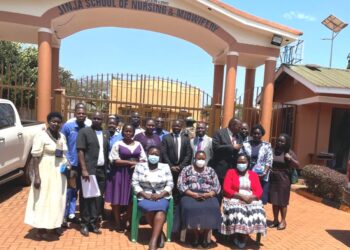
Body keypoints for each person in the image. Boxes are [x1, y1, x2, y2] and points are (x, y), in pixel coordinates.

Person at [24, 112, 67, 240]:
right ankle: (41, 228)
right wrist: (36, 177)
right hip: (45, 171)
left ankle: (53, 226)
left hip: (59, 172)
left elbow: (64, 153)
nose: (56, 124)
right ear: (48, 122)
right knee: (43, 199)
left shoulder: (61, 136)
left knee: (55, 199)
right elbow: (35, 157)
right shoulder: (41, 136)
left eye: (58, 122)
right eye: (53, 121)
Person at [175, 151, 221, 248]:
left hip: (208, 195)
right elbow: (180, 184)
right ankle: (196, 236)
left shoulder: (210, 170)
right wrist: (193, 194)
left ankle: (205, 237)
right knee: (191, 208)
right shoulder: (186, 169)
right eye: (199, 158)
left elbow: (217, 186)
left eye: (203, 159)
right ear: (194, 159)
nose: (201, 161)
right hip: (190, 194)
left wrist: (209, 194)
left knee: (214, 207)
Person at [221, 154, 267, 249]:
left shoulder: (253, 174)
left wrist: (252, 197)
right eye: (239, 162)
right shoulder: (231, 172)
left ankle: (244, 235)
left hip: (251, 198)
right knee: (238, 211)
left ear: (248, 163)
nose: (241, 164)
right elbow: (226, 188)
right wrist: (241, 196)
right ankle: (240, 235)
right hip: (234, 197)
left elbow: (259, 190)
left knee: (258, 211)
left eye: (243, 162)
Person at [106, 124, 147, 232]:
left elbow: (144, 159)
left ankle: (126, 219)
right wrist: (131, 162)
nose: (128, 133)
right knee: (117, 199)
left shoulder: (138, 144)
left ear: (134, 133)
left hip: (134, 175)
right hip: (119, 174)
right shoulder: (118, 144)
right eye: (126, 131)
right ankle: (118, 223)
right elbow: (114, 160)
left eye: (130, 131)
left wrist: (137, 164)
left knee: (132, 199)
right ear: (122, 132)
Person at [132, 146, 174, 250]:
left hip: (162, 195)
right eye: (152, 154)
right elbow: (134, 183)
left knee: (160, 211)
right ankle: (159, 234)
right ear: (147, 154)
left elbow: (170, 183)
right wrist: (144, 194)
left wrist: (161, 194)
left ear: (159, 157)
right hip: (144, 195)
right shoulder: (140, 166)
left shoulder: (165, 167)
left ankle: (153, 241)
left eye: (156, 154)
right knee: (150, 209)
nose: (154, 156)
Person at [76, 111, 109, 236]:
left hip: (101, 170)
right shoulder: (84, 132)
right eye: (94, 118)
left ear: (103, 120)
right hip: (89, 170)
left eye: (99, 118)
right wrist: (84, 169)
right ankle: (84, 224)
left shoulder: (105, 134)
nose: (97, 120)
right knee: (86, 197)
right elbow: (80, 151)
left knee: (98, 198)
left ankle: (93, 223)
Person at [61, 103, 90, 226]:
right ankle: (64, 216)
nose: (81, 115)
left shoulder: (88, 128)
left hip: (83, 166)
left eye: (83, 113)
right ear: (75, 114)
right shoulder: (68, 127)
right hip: (71, 165)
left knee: (78, 190)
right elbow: (61, 143)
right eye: (79, 113)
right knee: (69, 191)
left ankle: (72, 214)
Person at [269, 133, 300, 230]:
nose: (279, 143)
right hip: (273, 177)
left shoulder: (289, 152)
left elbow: (298, 165)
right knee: (274, 200)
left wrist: (290, 159)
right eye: (278, 140)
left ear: (286, 143)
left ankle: (283, 221)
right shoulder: (273, 151)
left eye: (282, 141)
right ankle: (275, 220)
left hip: (284, 178)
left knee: (283, 201)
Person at [161, 120, 192, 202]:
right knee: (169, 188)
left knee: (180, 189)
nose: (176, 128)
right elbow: (164, 153)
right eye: (174, 126)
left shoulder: (186, 139)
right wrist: (171, 166)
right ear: (172, 127)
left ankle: (177, 206)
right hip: (169, 169)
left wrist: (180, 166)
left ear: (181, 127)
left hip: (181, 169)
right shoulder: (166, 138)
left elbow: (188, 154)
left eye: (178, 126)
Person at [243, 124, 273, 204]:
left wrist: (264, 173)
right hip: (247, 174)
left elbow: (269, 161)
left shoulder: (267, 146)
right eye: (254, 133)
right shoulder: (245, 144)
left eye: (258, 133)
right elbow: (241, 158)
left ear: (262, 134)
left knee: (260, 198)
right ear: (251, 134)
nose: (256, 135)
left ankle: (259, 214)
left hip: (261, 176)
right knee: (248, 196)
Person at [212, 118, 243, 188]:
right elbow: (215, 147)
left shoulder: (239, 136)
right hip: (221, 169)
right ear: (232, 125)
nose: (240, 129)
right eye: (239, 127)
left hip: (233, 169)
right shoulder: (219, 133)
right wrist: (231, 147)